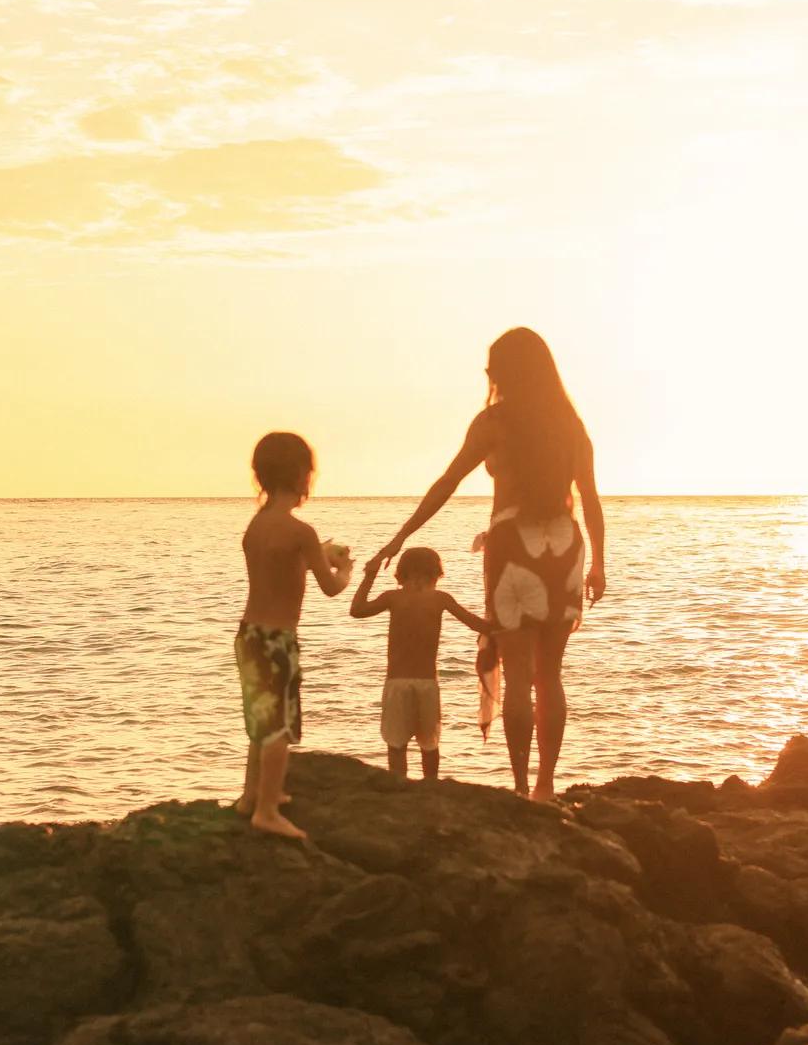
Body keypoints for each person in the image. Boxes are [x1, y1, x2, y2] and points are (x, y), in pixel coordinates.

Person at [365, 328, 605, 801]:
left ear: (509, 371)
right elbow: (591, 500)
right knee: (550, 675)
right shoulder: (570, 424)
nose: (488, 374)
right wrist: (599, 563)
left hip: (512, 543)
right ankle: (545, 787)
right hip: (565, 545)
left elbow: (446, 483)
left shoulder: (494, 423)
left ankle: (518, 789)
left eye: (493, 366)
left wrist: (401, 536)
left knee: (519, 677)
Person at [235, 431, 351, 839]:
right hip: (278, 639)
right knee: (280, 727)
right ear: (303, 476)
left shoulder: (256, 526)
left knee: (259, 721)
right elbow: (330, 587)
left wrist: (314, 555)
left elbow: (279, 572)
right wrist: (345, 568)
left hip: (249, 634)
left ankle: (251, 796)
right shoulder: (301, 532)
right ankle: (267, 810)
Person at [351, 545, 489, 780]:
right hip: (427, 682)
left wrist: (369, 577)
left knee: (396, 744)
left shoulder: (393, 597)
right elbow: (476, 624)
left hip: (397, 681)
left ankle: (400, 787)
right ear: (436, 574)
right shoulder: (440, 598)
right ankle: (430, 787)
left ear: (401, 573)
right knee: (429, 744)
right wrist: (511, 624)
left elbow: (357, 610)